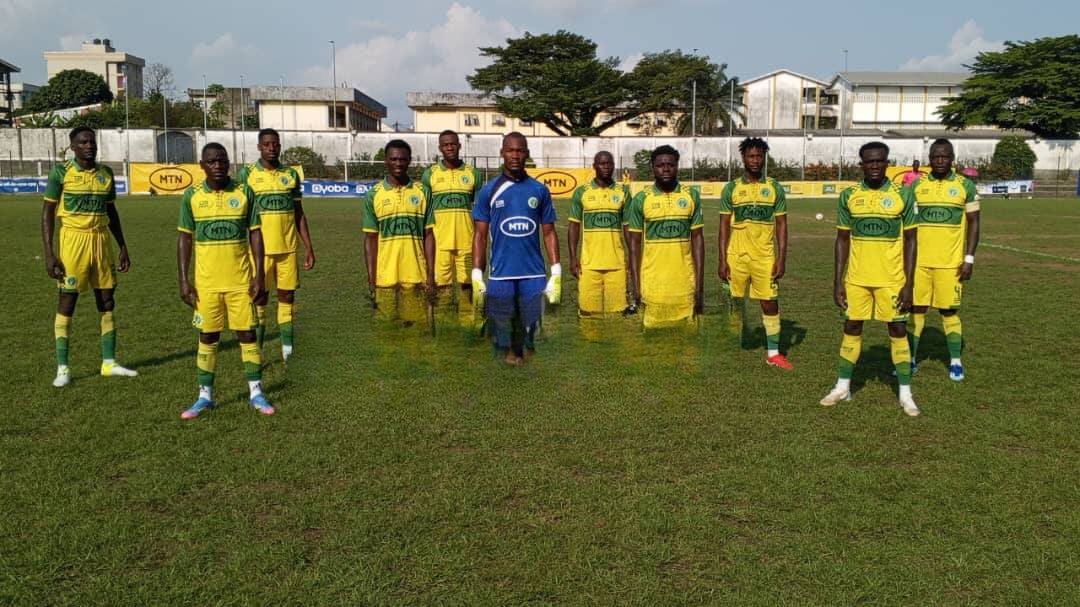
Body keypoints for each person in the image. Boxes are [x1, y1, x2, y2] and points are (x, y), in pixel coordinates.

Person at [821, 141, 920, 416]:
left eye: (880, 161)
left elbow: (911, 241)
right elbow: (842, 240)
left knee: (898, 331)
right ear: (861, 164)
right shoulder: (850, 196)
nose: (875, 166)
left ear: (888, 162)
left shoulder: (903, 194)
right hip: (857, 279)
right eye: (869, 162)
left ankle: (905, 394)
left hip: (892, 280)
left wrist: (909, 284)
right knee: (852, 327)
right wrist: (837, 281)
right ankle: (843, 387)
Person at [177, 143, 273, 419]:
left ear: (229, 163)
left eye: (222, 160)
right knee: (207, 335)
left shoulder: (244, 192)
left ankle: (256, 392)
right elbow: (185, 237)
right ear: (202, 165)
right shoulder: (192, 196)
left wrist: (259, 275)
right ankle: (204, 396)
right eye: (211, 161)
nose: (217, 165)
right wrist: (184, 280)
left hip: (241, 280)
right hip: (206, 283)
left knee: (247, 333)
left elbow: (256, 234)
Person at [42, 126, 137, 387]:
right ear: (72, 147)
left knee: (106, 300)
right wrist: (50, 253)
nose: (89, 146)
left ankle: (109, 363)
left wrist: (123, 245)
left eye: (92, 142)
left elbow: (112, 211)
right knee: (67, 301)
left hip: (101, 240)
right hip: (73, 241)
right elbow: (47, 213)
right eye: (83, 142)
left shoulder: (105, 174)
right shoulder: (61, 172)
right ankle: (63, 368)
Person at [471, 132, 560, 365]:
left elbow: (549, 232)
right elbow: (479, 235)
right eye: (510, 150)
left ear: (527, 154)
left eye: (520, 150)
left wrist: (557, 271)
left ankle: (523, 347)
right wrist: (477, 274)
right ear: (502, 153)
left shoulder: (539, 190)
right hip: (501, 271)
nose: (515, 155)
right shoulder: (489, 191)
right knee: (503, 319)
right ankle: (511, 350)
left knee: (531, 321)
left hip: (533, 271)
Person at [236, 128, 314, 364]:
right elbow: (240, 214)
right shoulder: (247, 174)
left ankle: (287, 351)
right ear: (259, 147)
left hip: (288, 249)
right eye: (267, 144)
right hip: (259, 251)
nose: (272, 148)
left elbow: (299, 213)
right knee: (259, 298)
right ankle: (257, 352)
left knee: (287, 297)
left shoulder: (290, 174)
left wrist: (308, 246)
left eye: (276, 144)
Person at [907, 138, 980, 380]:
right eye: (936, 157)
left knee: (949, 312)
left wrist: (968, 258)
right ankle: (910, 359)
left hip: (951, 264)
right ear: (929, 159)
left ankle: (956, 362)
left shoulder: (964, 186)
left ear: (952, 159)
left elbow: (974, 223)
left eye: (945, 156)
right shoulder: (915, 186)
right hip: (918, 263)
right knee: (915, 310)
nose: (940, 161)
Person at [718, 137, 792, 369]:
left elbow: (782, 225)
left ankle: (773, 353)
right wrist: (722, 259)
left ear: (764, 158)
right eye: (751, 156)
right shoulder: (732, 188)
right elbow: (722, 226)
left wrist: (781, 258)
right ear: (743, 158)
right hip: (736, 256)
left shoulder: (774, 188)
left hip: (764, 256)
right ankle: (729, 346)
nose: (755, 160)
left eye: (759, 156)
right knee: (733, 302)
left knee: (769, 302)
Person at [626, 145, 704, 329]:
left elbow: (698, 239)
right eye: (661, 165)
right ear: (653, 168)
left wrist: (699, 284)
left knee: (686, 342)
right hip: (652, 285)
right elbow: (634, 245)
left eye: (671, 164)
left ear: (677, 166)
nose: (666, 169)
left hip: (684, 283)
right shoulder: (641, 199)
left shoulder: (691, 195)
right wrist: (636, 285)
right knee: (654, 345)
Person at [361, 140, 436, 325]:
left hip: (416, 273)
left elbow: (429, 236)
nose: (398, 163)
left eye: (403, 159)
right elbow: (370, 238)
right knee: (387, 331)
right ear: (385, 160)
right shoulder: (374, 194)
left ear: (409, 160)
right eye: (393, 159)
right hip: (385, 275)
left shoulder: (423, 192)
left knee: (416, 331)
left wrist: (431, 275)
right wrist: (372, 278)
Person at [421, 130, 483, 307]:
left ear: (459, 146)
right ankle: (446, 324)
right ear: (440, 148)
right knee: (442, 288)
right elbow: (425, 211)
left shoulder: (473, 174)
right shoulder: (430, 175)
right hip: (440, 242)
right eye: (445, 145)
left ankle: (468, 322)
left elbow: (479, 210)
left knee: (468, 286)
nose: (450, 147)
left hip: (467, 241)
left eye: (453, 144)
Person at [567, 151, 631, 316]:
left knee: (617, 316)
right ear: (594, 166)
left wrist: (632, 256)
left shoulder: (623, 192)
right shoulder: (582, 192)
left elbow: (628, 227)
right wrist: (573, 258)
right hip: (588, 266)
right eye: (602, 163)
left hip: (617, 265)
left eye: (609, 163)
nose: (606, 167)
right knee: (589, 315)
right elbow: (574, 226)